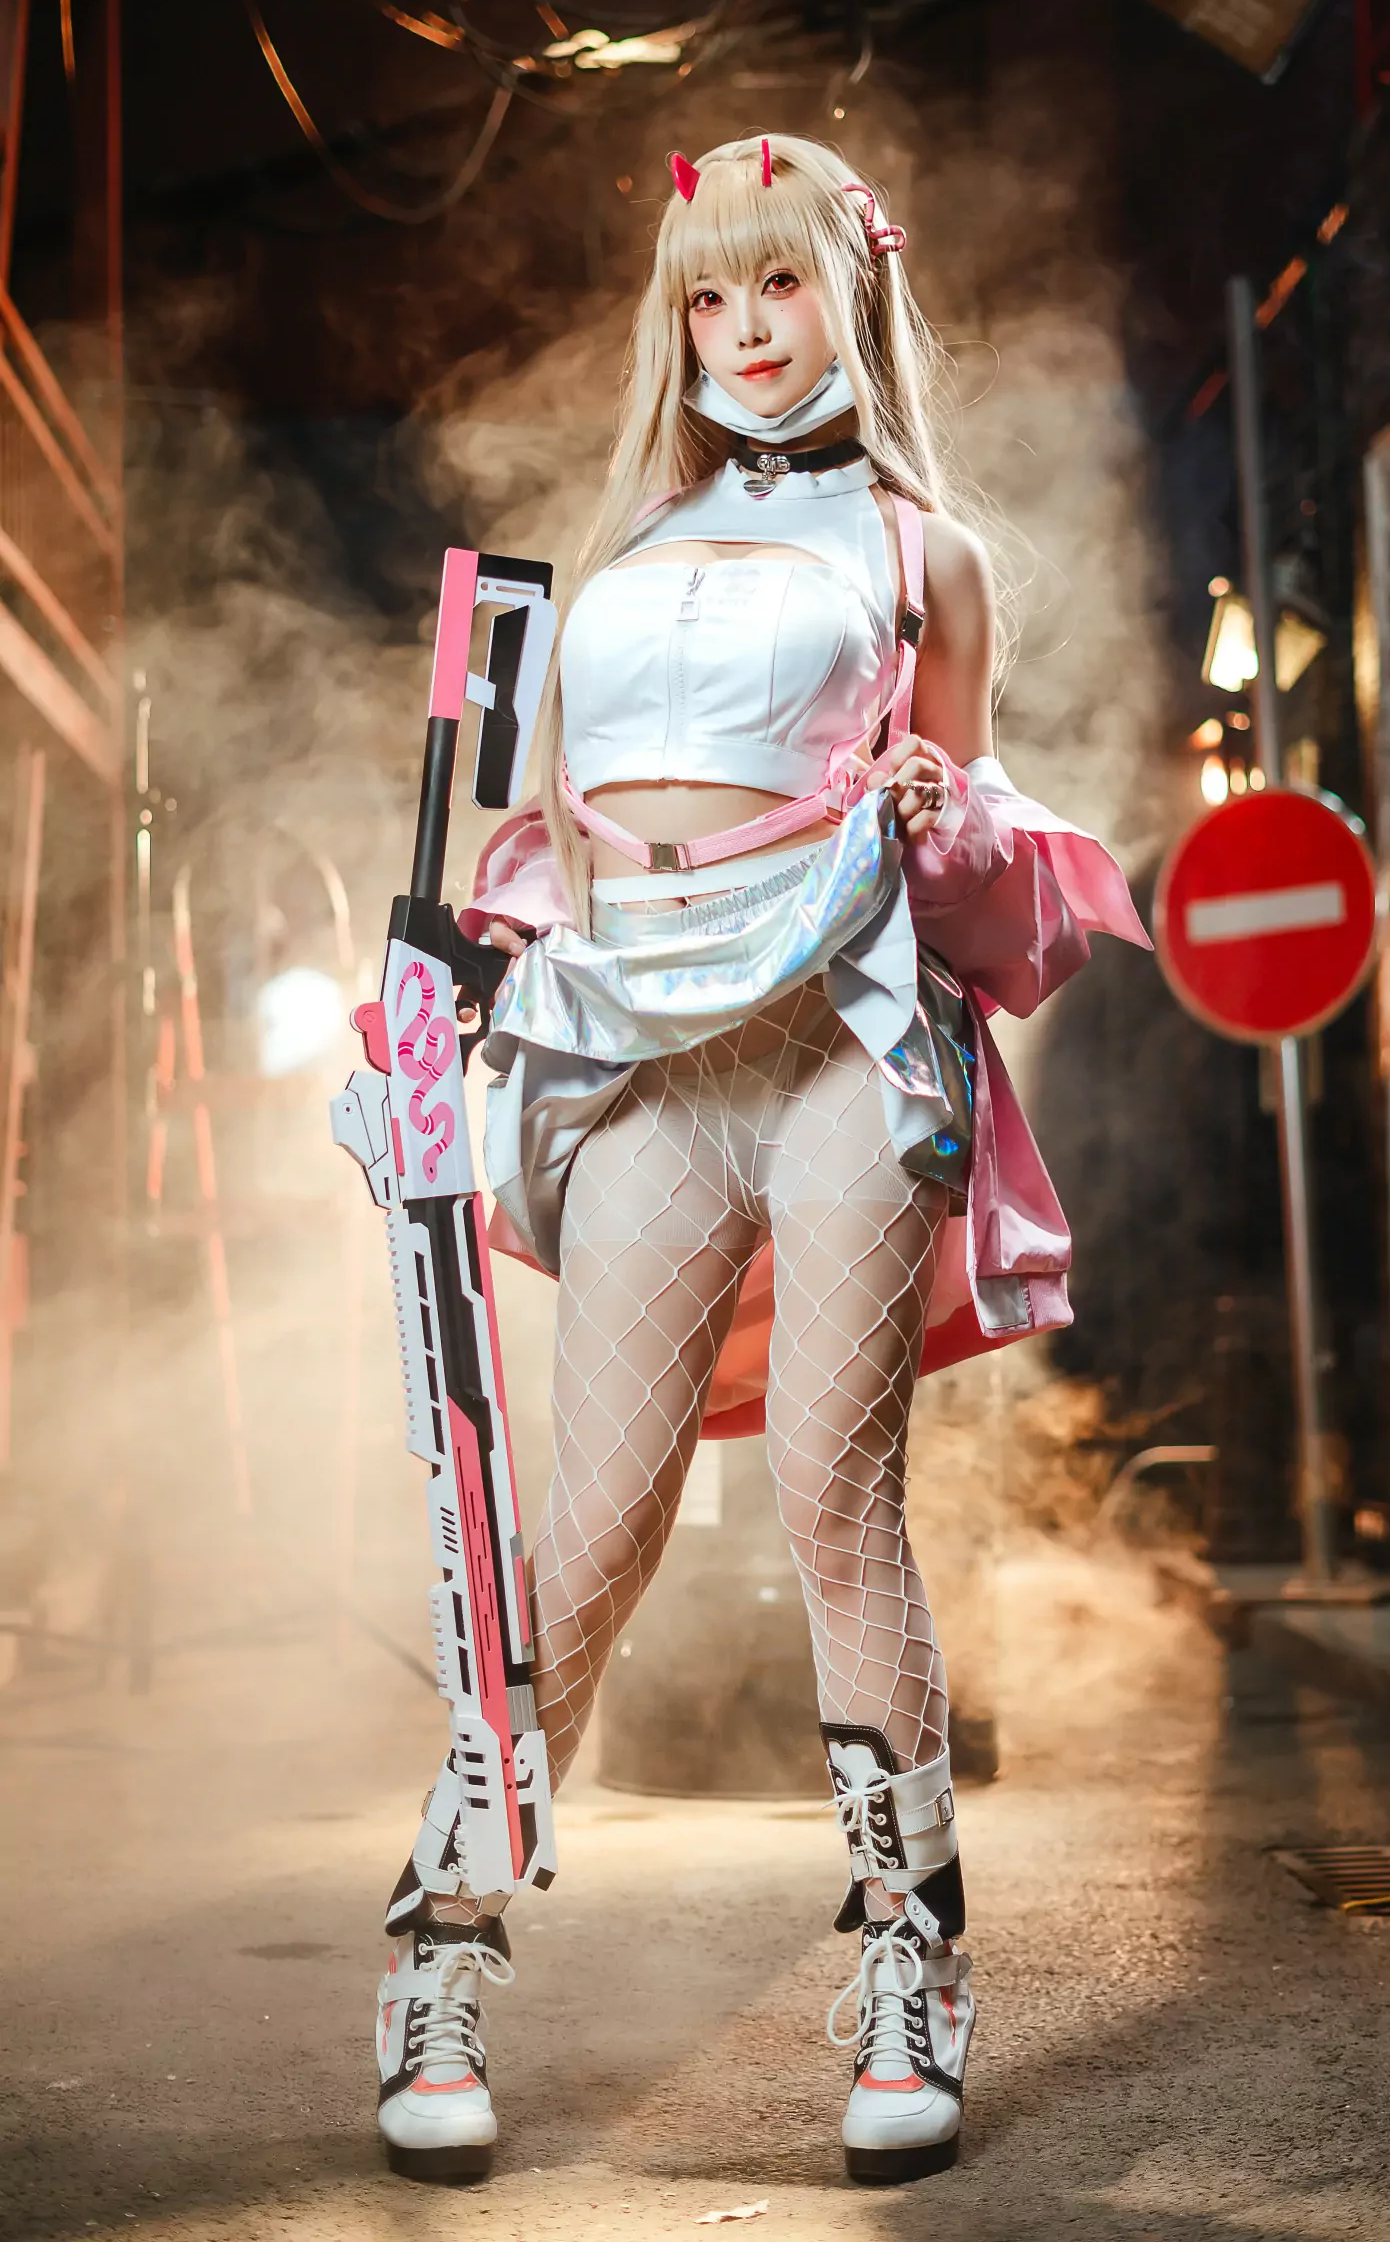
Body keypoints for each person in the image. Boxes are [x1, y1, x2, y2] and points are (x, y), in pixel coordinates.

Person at [373, 132, 1148, 2187]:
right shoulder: (617, 550)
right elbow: (539, 835)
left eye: (778, 284)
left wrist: (945, 811)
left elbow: (982, 841)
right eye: (707, 295)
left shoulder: (924, 553)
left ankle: (912, 1963)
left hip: (843, 1032)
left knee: (831, 1494)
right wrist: (452, 981)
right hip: (641, 1046)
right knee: (589, 1528)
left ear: (850, 291)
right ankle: (441, 1943)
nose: (742, 329)